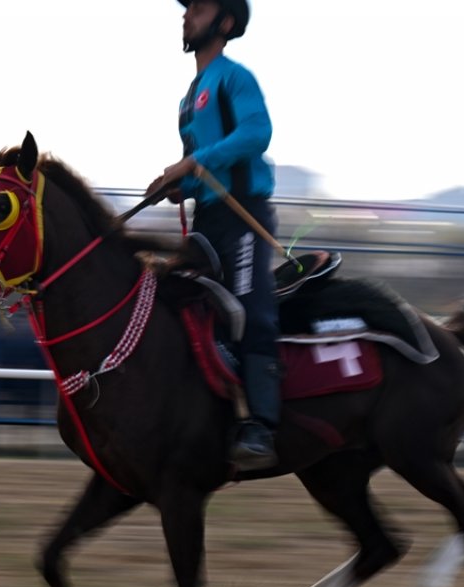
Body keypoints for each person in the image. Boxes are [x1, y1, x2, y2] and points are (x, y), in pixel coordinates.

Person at [148, 0, 279, 471]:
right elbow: (201, 164)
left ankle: (262, 426)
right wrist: (178, 184)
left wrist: (192, 164)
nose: (187, 15)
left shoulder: (234, 76)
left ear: (224, 23)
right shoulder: (189, 97)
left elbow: (257, 133)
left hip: (245, 216)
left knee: (249, 309)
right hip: (207, 219)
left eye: (199, 8)